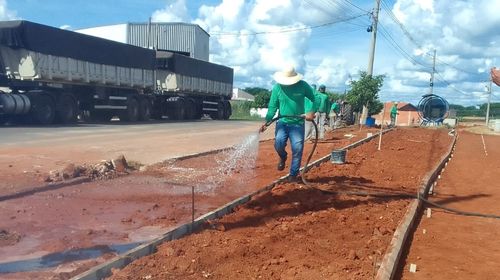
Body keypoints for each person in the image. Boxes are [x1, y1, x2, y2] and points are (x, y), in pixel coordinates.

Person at [260, 66, 316, 182]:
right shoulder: (277, 88)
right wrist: (267, 121)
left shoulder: (303, 85)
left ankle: (293, 175)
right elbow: (272, 106)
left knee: (297, 148)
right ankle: (283, 156)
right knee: (278, 144)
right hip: (282, 122)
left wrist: (311, 111)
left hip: (298, 124)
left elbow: (315, 99)